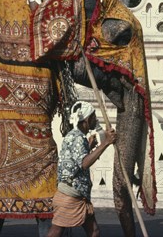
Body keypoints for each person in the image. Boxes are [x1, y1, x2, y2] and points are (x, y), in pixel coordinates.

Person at [47, 101, 116, 237]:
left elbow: (76, 162)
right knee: (56, 232)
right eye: (94, 116)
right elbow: (84, 163)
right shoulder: (78, 138)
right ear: (87, 119)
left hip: (77, 194)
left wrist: (89, 148)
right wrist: (106, 143)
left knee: (93, 231)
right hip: (70, 195)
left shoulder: (74, 136)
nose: (95, 120)